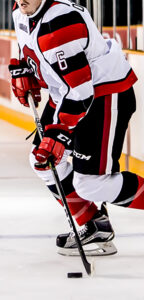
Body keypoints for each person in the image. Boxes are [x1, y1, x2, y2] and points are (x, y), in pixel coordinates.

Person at [9, 0, 144, 257]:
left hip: (104, 95)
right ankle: (94, 226)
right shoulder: (21, 9)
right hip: (68, 94)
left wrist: (59, 132)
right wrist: (27, 71)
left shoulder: (59, 23)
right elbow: (32, 47)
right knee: (44, 161)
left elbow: (82, 91)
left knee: (92, 185)